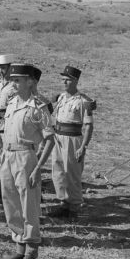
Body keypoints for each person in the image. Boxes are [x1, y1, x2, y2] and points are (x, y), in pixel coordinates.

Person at [0, 63, 55, 259]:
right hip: (8, 156)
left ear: (30, 82)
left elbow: (50, 138)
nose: (13, 83)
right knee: (11, 202)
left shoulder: (38, 107)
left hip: (26, 157)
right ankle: (19, 248)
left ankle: (31, 252)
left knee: (28, 205)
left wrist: (38, 167)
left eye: (18, 80)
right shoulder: (12, 103)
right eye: (12, 79)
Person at [50, 66, 95, 220]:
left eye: (67, 79)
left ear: (75, 81)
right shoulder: (61, 97)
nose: (64, 82)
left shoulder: (83, 101)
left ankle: (74, 208)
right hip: (58, 137)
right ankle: (63, 203)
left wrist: (83, 146)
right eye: (63, 79)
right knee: (58, 172)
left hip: (73, 139)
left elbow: (88, 125)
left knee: (72, 173)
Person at [0, 54, 18, 199]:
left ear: (10, 68)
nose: (1, 70)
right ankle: (0, 186)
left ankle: (9, 188)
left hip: (8, 124)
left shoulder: (15, 85)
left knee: (8, 157)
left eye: (3, 67)